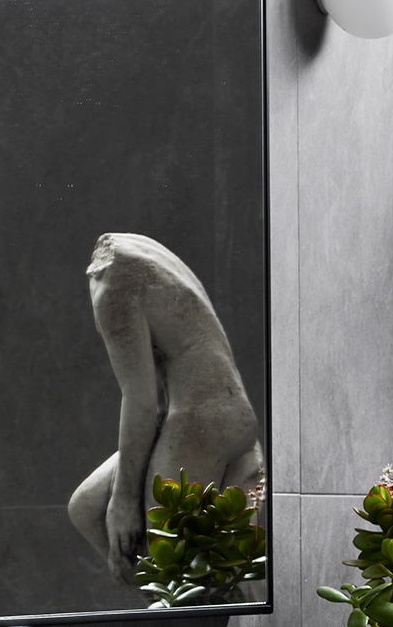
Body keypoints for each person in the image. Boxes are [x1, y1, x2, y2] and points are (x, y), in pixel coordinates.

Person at [68, 233, 264, 595]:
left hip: (201, 422)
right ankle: (200, 598)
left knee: (173, 580)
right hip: (222, 414)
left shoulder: (112, 287)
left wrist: (126, 500)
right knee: (87, 508)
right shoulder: (140, 252)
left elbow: (141, 399)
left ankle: (193, 606)